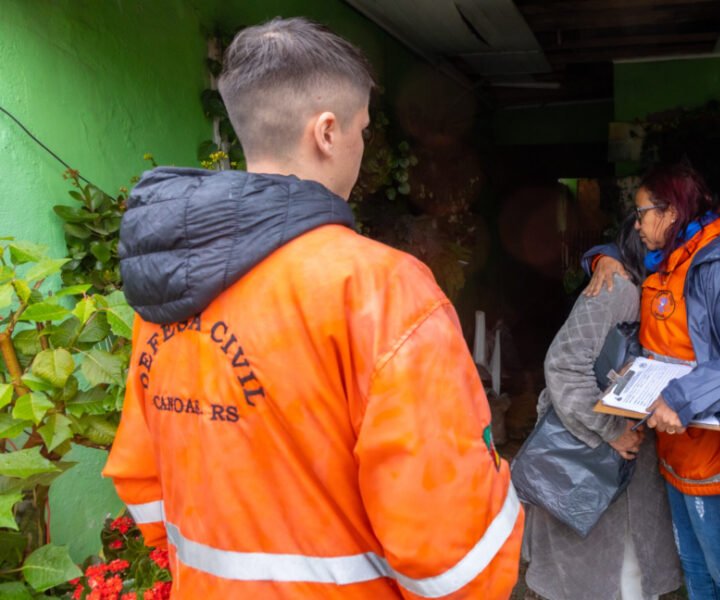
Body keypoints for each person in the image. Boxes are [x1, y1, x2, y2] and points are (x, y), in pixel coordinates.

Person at [102, 17, 522, 599]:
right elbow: (452, 549)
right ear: (326, 132)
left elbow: (140, 474)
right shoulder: (381, 287)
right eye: (363, 131)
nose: (362, 146)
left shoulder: (167, 286)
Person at [582, 163, 720, 599]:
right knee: (697, 574)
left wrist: (682, 397)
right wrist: (602, 257)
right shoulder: (664, 258)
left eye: (642, 212)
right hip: (678, 449)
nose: (637, 223)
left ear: (670, 212)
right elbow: (617, 250)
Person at [524, 216, 682, 600]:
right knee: (609, 573)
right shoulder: (619, 289)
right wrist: (611, 431)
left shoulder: (650, 292)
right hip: (597, 453)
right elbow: (563, 365)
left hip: (622, 461)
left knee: (625, 570)